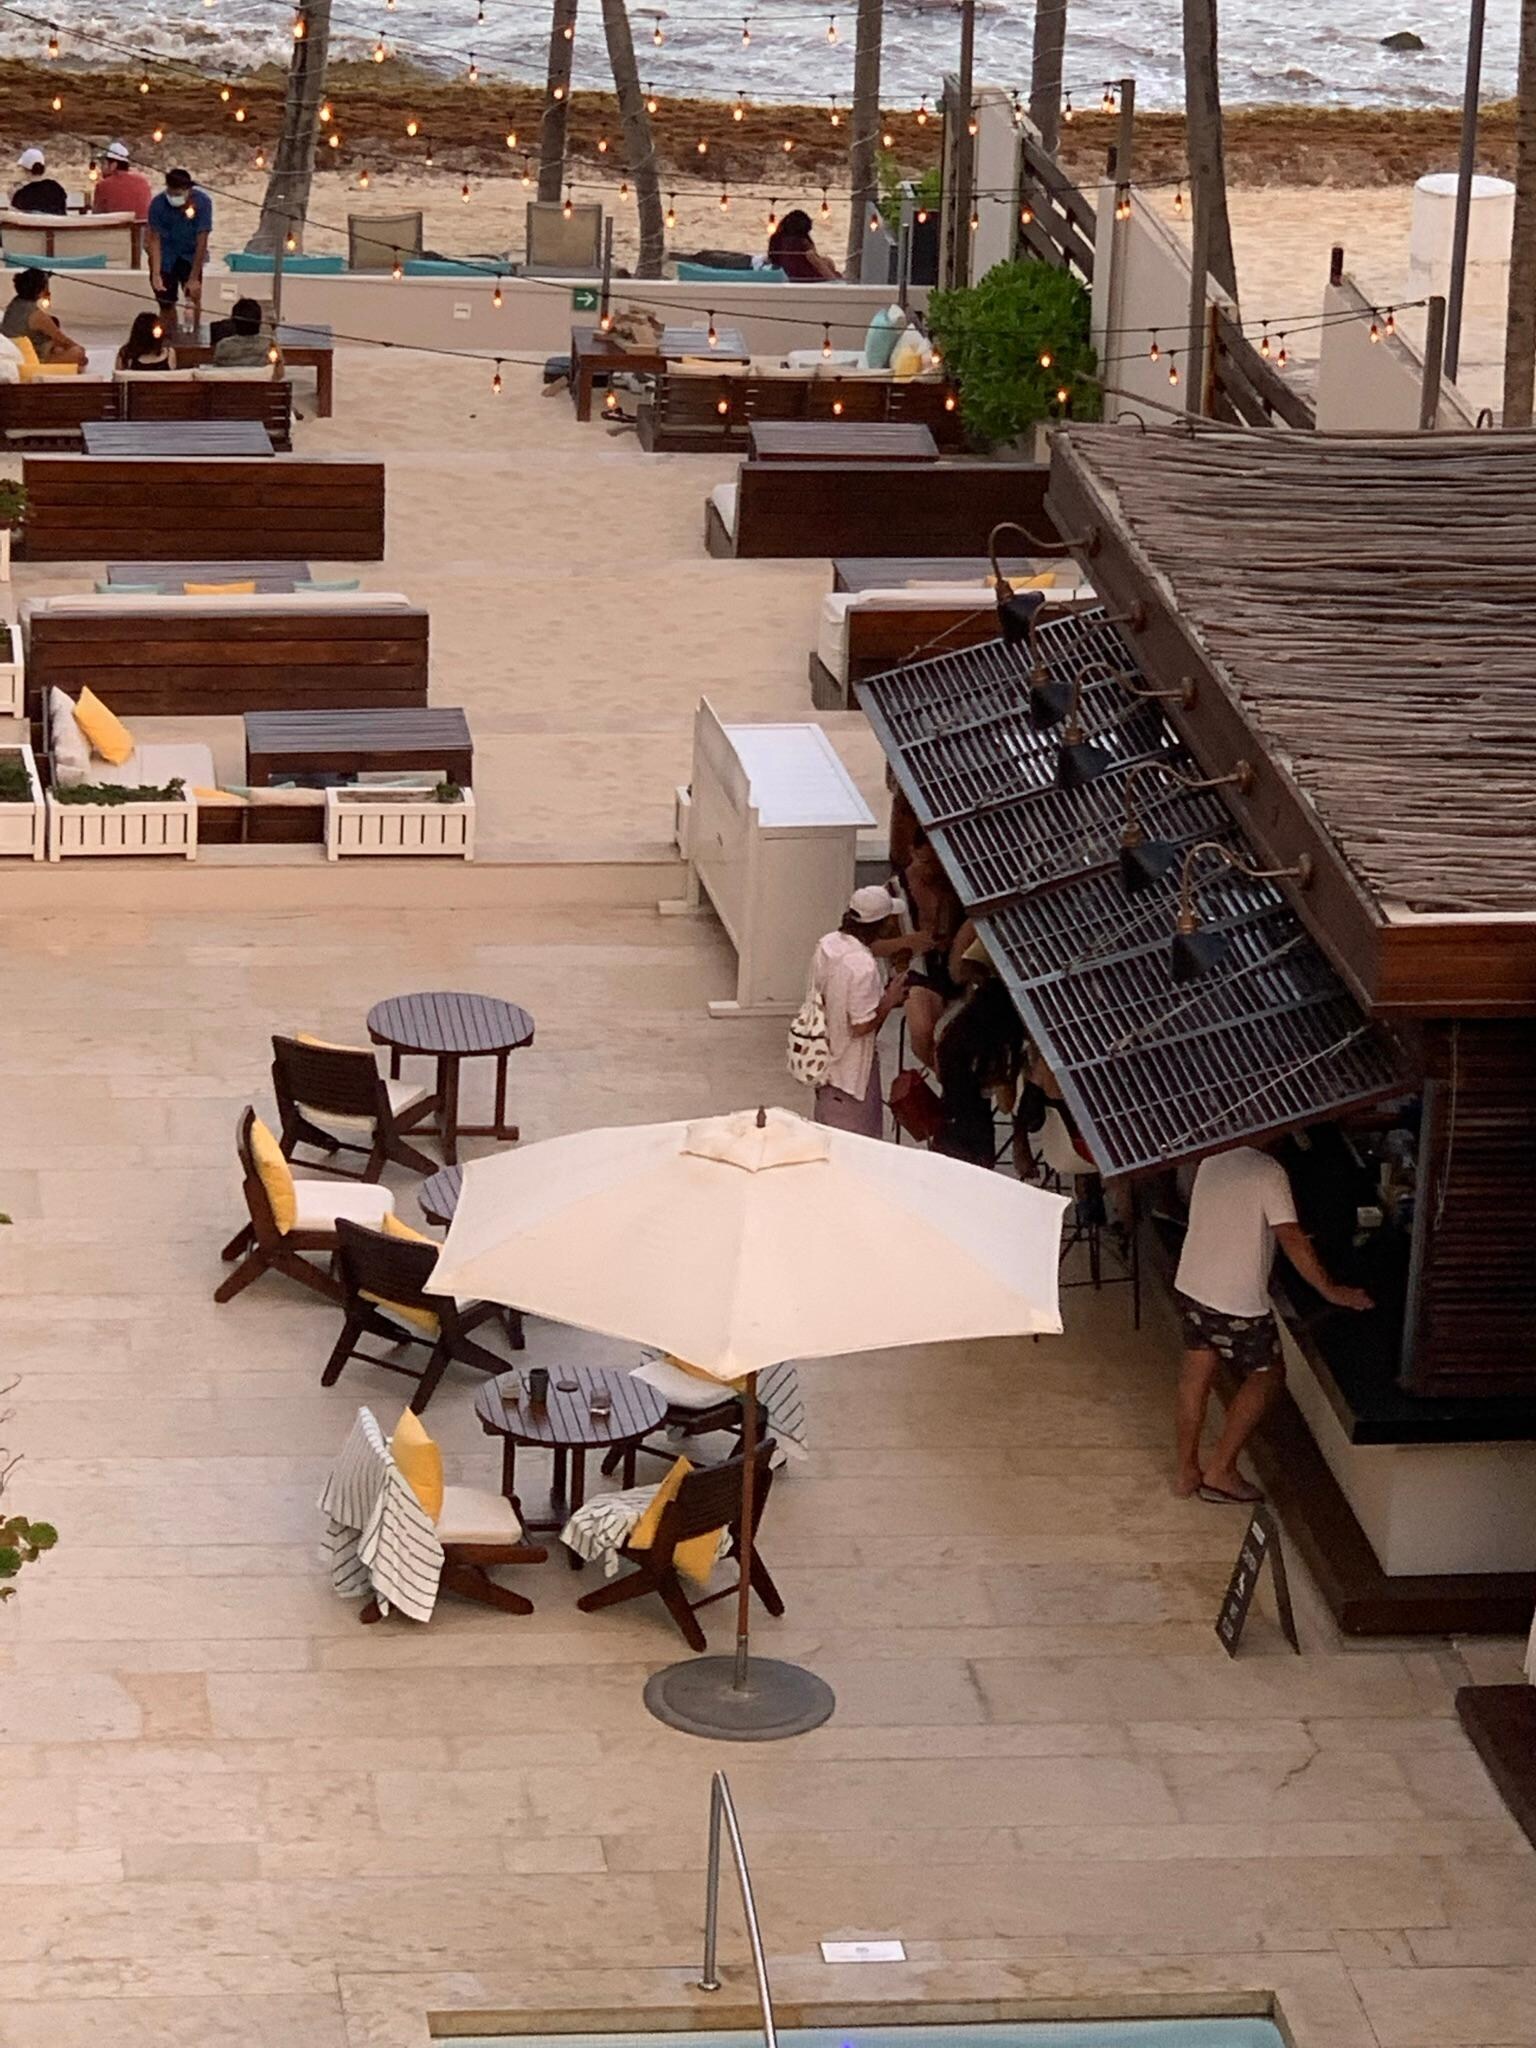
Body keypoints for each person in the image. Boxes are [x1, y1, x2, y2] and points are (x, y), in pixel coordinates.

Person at [1174, 1142, 1373, 1505]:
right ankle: (1221, 1469)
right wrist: (1329, 1289)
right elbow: (1292, 1238)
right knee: (1268, 1374)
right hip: (1234, 1298)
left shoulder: (1212, 1155)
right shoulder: (1268, 1171)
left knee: (1195, 1377)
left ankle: (1186, 1471)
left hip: (1192, 1282)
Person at [806, 884, 909, 1136]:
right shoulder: (863, 966)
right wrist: (889, 999)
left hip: (823, 1065)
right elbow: (861, 1025)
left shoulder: (828, 945)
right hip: (850, 1077)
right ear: (881, 924)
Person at [146, 167, 212, 321]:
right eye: (171, 193)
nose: (174, 197)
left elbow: (202, 240)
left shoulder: (203, 203)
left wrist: (194, 277)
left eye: (178, 194)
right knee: (166, 304)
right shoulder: (157, 204)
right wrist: (156, 273)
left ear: (188, 190)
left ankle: (195, 333)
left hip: (190, 255)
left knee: (193, 299)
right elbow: (155, 240)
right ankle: (170, 335)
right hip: (166, 257)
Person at [1, 268, 87, 368]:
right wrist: (81, 351)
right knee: (77, 352)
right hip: (32, 359)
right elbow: (64, 340)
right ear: (40, 291)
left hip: (14, 347)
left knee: (58, 346)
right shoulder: (37, 316)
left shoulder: (15, 302)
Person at [766, 208, 840, 281]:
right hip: (807, 278)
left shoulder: (776, 239)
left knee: (827, 261)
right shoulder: (802, 242)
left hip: (785, 277)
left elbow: (772, 259)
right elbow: (814, 260)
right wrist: (833, 280)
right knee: (828, 261)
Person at [92, 141, 152, 222]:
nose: (101, 168)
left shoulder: (103, 186)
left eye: (103, 163)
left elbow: (96, 218)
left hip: (118, 233)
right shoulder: (143, 182)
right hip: (143, 232)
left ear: (113, 165)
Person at [210, 297, 275, 367]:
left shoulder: (222, 347)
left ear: (233, 323)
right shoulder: (270, 346)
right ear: (259, 322)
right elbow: (278, 370)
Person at [11, 147, 67, 215]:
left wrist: (12, 197)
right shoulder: (56, 188)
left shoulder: (23, 194)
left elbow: (16, 217)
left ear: (25, 170)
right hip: (58, 224)